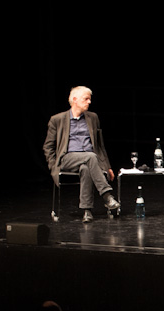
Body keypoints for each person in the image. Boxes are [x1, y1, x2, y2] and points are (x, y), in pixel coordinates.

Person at [43, 85, 118, 223]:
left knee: (86, 167)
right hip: (68, 158)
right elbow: (48, 146)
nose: (89, 102)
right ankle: (107, 196)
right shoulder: (57, 119)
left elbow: (100, 146)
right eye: (86, 99)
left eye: (89, 99)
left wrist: (107, 166)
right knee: (90, 157)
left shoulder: (93, 118)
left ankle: (87, 211)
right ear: (75, 100)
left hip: (89, 160)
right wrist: (53, 166)